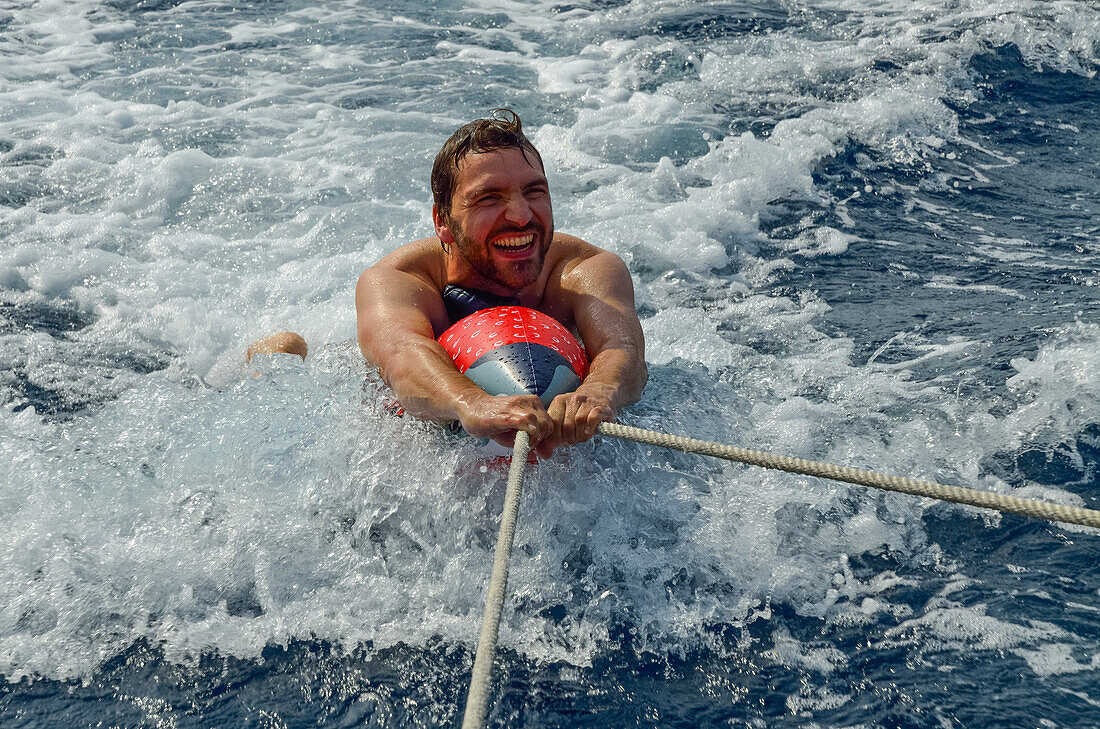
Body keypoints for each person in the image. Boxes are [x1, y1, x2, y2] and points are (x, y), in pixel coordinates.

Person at [254, 109, 647, 458]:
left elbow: (622, 352)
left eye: (534, 192)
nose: (521, 215)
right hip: (379, 386)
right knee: (287, 351)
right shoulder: (399, 278)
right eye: (489, 198)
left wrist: (597, 393)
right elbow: (404, 354)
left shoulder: (586, 269)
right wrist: (471, 402)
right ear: (442, 221)